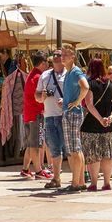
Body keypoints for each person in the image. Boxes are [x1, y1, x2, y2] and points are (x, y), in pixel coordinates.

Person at [80, 58, 112, 192]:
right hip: (108, 125)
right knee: (107, 154)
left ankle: (94, 183)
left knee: (93, 154)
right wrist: (111, 116)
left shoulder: (89, 84)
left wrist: (99, 119)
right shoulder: (110, 84)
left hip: (91, 124)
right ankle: (107, 182)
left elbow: (89, 104)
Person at [60, 45, 88, 194]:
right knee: (76, 149)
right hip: (70, 112)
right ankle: (80, 181)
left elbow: (86, 87)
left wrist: (77, 101)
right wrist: (65, 101)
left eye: (66, 54)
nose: (62, 57)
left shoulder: (75, 71)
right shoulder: (69, 73)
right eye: (62, 54)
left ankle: (75, 183)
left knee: (74, 149)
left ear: (73, 57)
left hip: (73, 114)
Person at [38, 50, 67, 191]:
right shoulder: (45, 75)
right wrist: (42, 96)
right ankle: (56, 178)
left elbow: (81, 93)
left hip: (65, 116)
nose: (56, 57)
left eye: (59, 55)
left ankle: (79, 177)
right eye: (54, 55)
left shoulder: (70, 74)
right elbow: (36, 96)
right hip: (49, 116)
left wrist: (66, 100)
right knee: (54, 149)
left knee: (72, 148)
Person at [21, 52, 47, 181]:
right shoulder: (39, 77)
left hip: (28, 113)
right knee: (36, 144)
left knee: (31, 143)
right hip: (36, 113)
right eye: (46, 62)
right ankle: (38, 170)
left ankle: (25, 169)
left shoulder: (32, 74)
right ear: (42, 63)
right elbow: (42, 95)